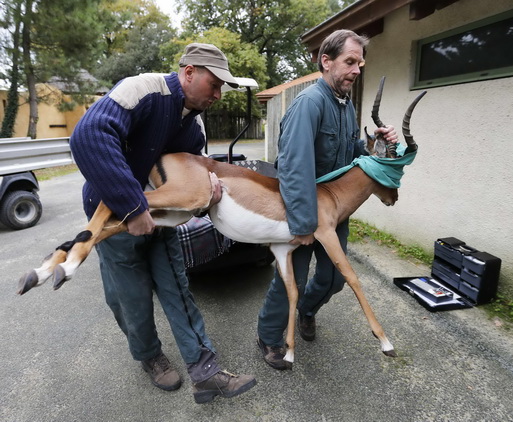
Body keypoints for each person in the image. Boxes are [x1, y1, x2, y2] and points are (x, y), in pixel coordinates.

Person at [70, 43, 256, 403]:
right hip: (114, 218)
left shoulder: (196, 128)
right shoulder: (141, 89)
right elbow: (89, 135)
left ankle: (206, 371)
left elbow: (193, 180)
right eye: (214, 84)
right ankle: (150, 356)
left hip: (164, 220)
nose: (218, 95)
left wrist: (208, 198)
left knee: (177, 290)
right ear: (188, 72)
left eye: (222, 88)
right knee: (130, 297)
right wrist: (133, 208)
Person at [257, 29, 399, 370]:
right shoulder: (310, 104)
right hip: (303, 209)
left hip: (336, 212)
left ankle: (306, 310)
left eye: (360, 63)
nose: (356, 70)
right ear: (326, 61)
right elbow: (291, 168)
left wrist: (375, 144)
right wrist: (303, 223)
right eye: (350, 62)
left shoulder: (346, 105)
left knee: (335, 278)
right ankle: (269, 335)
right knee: (292, 276)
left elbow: (352, 156)